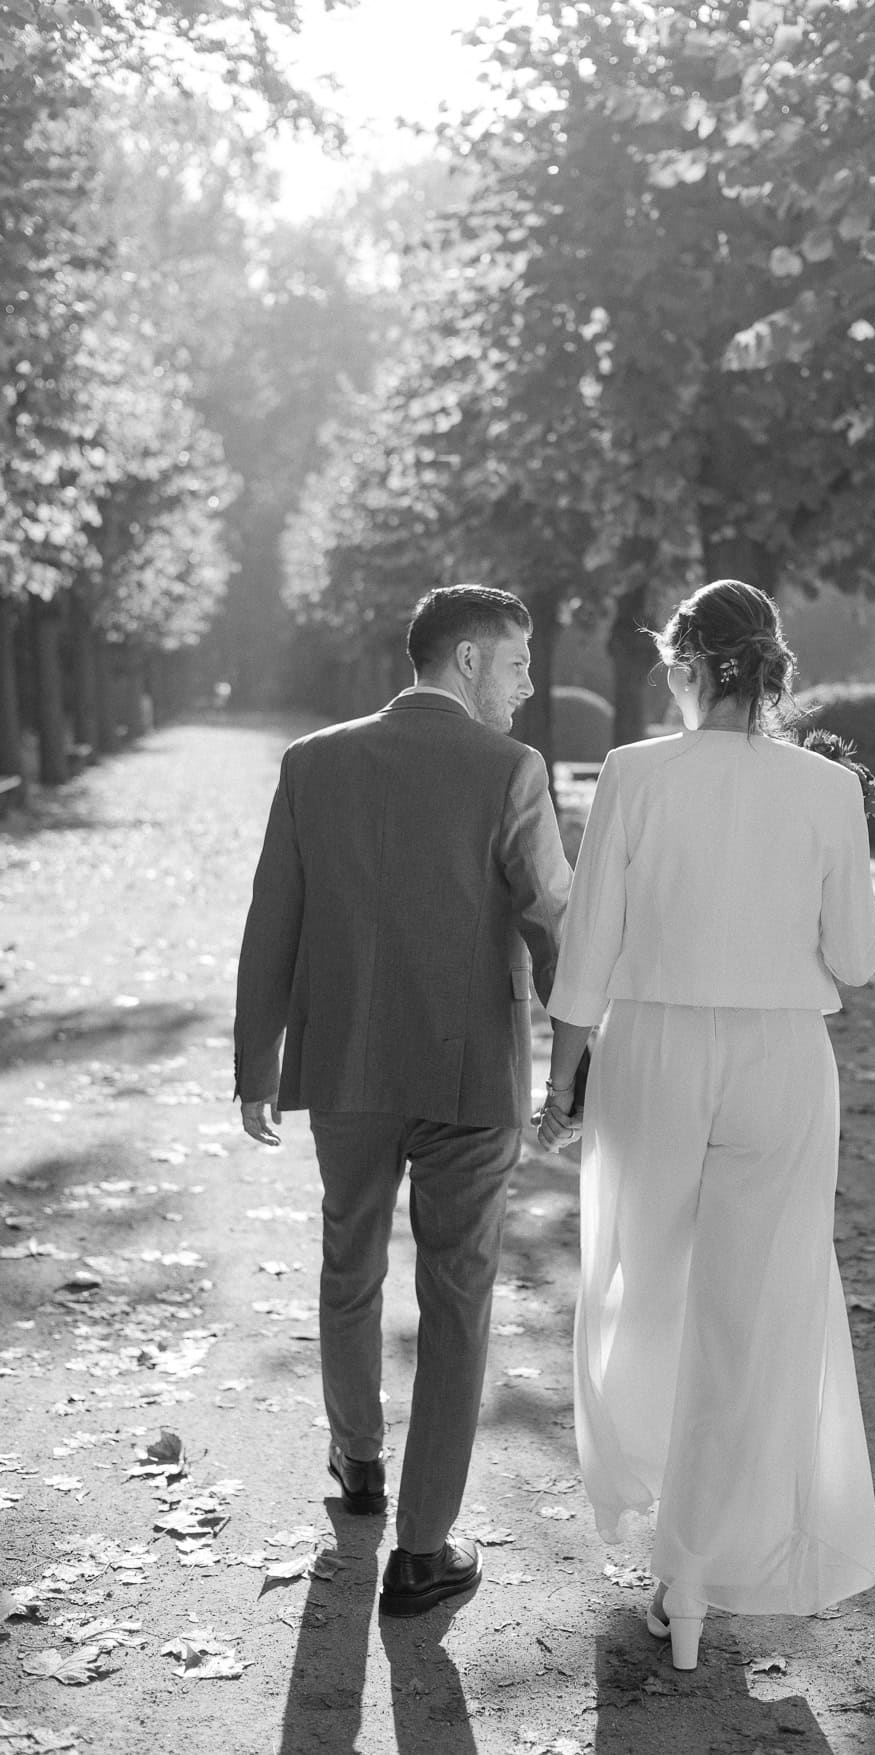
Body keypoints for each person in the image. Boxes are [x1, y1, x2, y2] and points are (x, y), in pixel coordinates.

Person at [536, 579, 875, 1670]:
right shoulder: (828, 789)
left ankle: (650, 1500)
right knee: (750, 1314)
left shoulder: (636, 774)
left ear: (685, 664)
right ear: (772, 669)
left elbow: (586, 950)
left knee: (641, 1288)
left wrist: (558, 1089)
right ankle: (691, 1576)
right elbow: (860, 960)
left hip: (653, 1056)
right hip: (782, 1060)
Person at [234, 585, 572, 1617]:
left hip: (345, 1066)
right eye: (517, 661)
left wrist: (257, 1062)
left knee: (349, 1259)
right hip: (471, 1071)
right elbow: (554, 919)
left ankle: (359, 1465)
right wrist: (585, 1053)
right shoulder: (510, 769)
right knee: (459, 1297)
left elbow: (272, 920)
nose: (527, 683)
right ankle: (422, 1553)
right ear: (467, 659)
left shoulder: (313, 763)